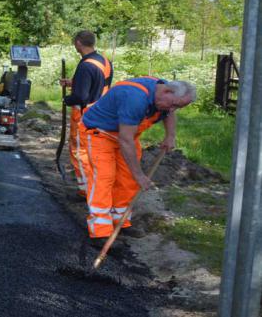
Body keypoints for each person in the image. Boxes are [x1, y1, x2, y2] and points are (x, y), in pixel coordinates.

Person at [78, 77, 196, 246]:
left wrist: (170, 136)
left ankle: (121, 221)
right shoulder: (135, 98)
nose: (172, 109)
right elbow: (125, 139)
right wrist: (140, 174)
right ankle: (100, 232)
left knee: (128, 180)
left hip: (127, 135)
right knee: (104, 178)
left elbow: (168, 114)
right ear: (167, 91)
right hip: (100, 133)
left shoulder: (164, 94)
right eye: (173, 104)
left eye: (178, 107)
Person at [59, 30, 113, 197]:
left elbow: (80, 96)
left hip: (84, 116)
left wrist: (66, 100)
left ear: (78, 43)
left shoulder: (85, 65)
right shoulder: (104, 61)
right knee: (94, 152)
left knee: (79, 152)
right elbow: (97, 82)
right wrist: (73, 82)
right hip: (102, 112)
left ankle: (86, 190)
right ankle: (94, 185)